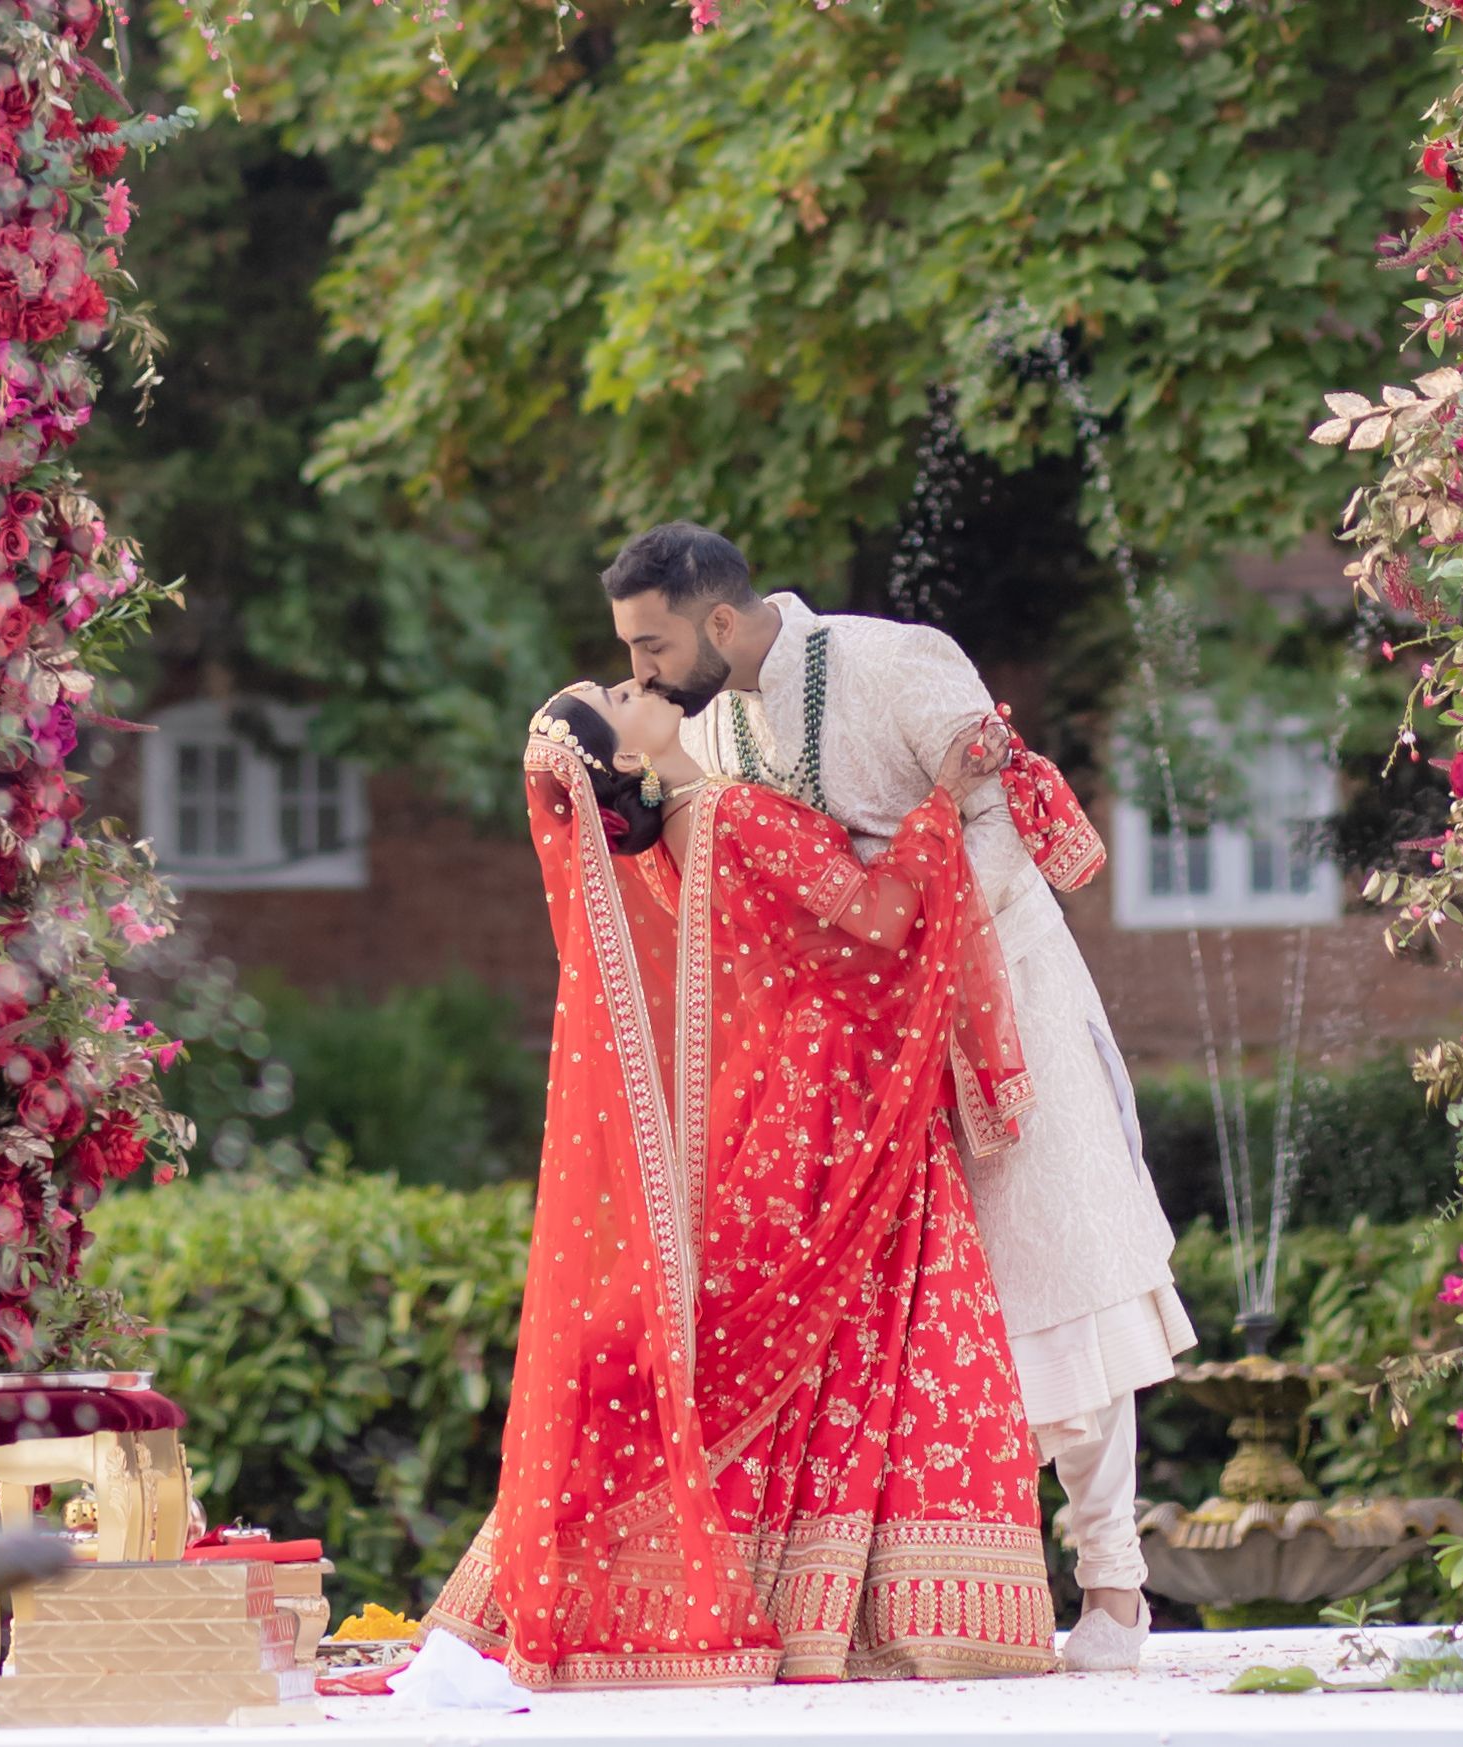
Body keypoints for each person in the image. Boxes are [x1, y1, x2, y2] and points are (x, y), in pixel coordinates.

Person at [605, 521, 1194, 1671]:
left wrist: (919, 950)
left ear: (717, 622)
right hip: (869, 1048)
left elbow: (1000, 817)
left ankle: (1114, 1591)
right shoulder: (718, 723)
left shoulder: (893, 661)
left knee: (1058, 1276)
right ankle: (932, 1598)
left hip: (1001, 995)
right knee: (922, 1319)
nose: (640, 673)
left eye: (651, 644)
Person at [423, 681, 1057, 1688]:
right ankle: (879, 1609)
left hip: (772, 1109)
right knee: (878, 1339)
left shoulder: (676, 844)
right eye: (613, 693)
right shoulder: (730, 811)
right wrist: (940, 799)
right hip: (839, 1103)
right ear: (622, 760)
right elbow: (882, 916)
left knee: (782, 1351)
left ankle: (731, 1594)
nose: (633, 682)